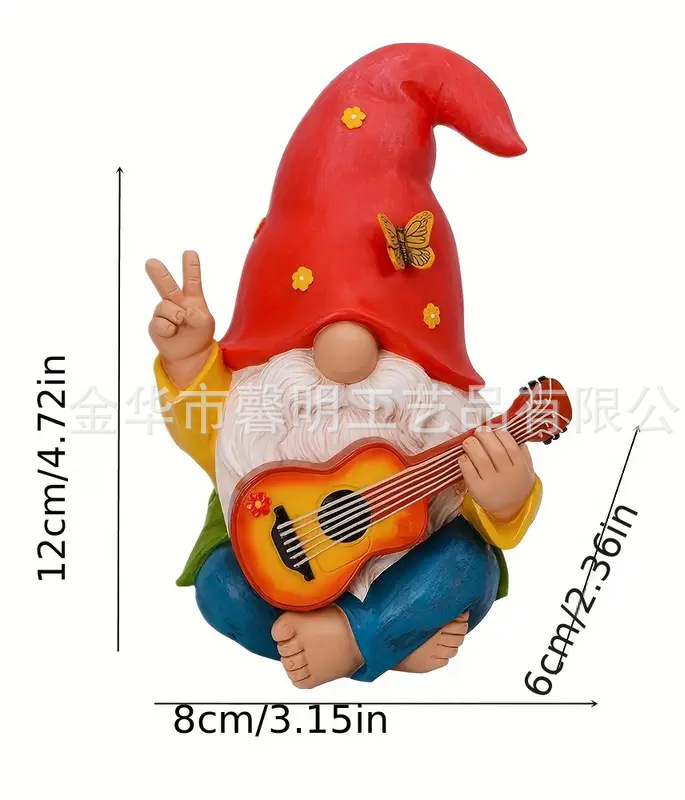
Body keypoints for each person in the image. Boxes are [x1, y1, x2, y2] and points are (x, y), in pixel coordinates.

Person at [148, 44, 542, 688]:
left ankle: (359, 636)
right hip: (274, 565)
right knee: (222, 585)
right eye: (313, 332)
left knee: (468, 566)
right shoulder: (254, 400)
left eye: (385, 336)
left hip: (406, 567)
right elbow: (204, 428)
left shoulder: (440, 412)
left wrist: (507, 500)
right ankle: (385, 636)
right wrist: (190, 357)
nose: (347, 356)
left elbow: (478, 507)